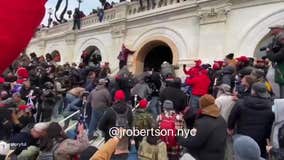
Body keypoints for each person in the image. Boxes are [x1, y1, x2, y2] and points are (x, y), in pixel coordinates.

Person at [228, 82, 275, 158]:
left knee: (242, 155)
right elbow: (272, 122)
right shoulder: (271, 106)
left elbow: (232, 116)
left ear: (253, 91)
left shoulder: (242, 102)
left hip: (243, 135)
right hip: (262, 138)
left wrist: (230, 127)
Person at [177, 94, 227, 160]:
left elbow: (192, 143)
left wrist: (178, 136)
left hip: (204, 156)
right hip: (219, 155)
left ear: (201, 105)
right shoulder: (221, 119)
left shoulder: (203, 122)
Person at [264, 25, 284, 98]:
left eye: (273, 29)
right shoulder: (275, 39)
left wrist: (269, 51)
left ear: (279, 29)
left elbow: (274, 57)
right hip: (279, 68)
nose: (271, 31)